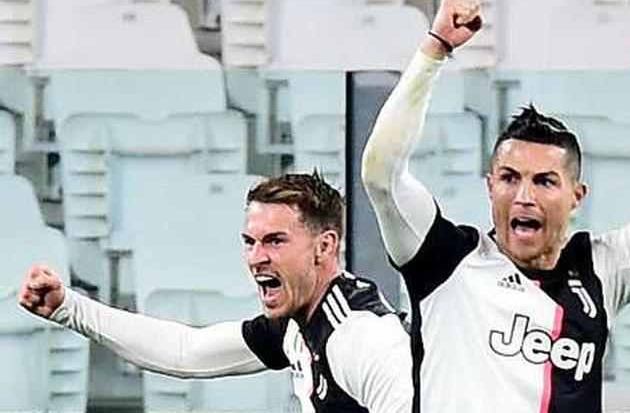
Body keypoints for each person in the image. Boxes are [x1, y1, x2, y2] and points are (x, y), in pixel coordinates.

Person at [361, 0, 630, 412]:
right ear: (489, 187)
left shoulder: (603, 269)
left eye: (544, 182)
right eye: (509, 178)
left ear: (577, 197)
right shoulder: (445, 262)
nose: (524, 195)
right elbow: (381, 173)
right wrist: (435, 50)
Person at [18, 172, 412, 413]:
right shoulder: (298, 324)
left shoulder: (363, 336)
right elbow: (186, 351)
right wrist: (68, 309)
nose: (256, 258)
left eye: (275, 241)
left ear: (324, 247)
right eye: (249, 241)